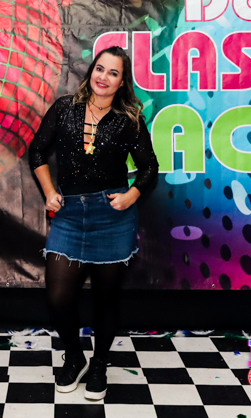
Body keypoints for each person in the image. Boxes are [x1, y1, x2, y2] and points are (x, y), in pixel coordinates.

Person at [29, 45, 158, 400]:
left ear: (122, 82)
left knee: (106, 299)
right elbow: (37, 150)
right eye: (100, 68)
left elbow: (149, 166)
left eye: (113, 73)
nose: (104, 77)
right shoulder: (65, 108)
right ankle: (74, 357)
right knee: (58, 298)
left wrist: (131, 196)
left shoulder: (129, 119)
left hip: (111, 217)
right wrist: (49, 192)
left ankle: (99, 363)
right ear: (91, 71)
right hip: (69, 215)